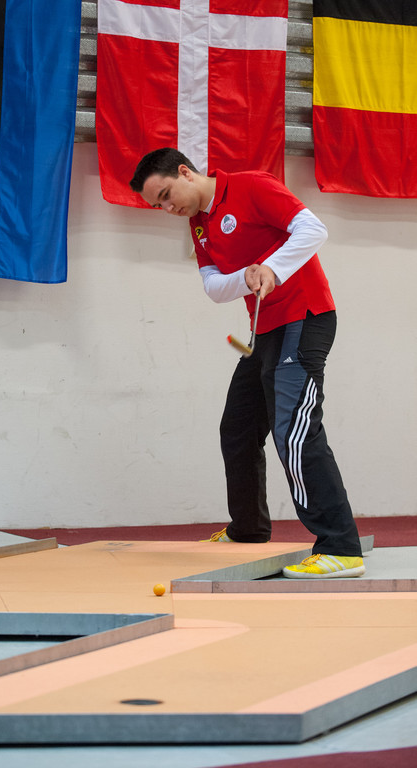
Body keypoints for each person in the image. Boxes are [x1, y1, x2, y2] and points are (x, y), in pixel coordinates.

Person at [129, 147, 364, 579]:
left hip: (305, 318)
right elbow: (214, 286)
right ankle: (248, 530)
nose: (168, 209)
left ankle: (341, 548)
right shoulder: (199, 224)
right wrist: (249, 275)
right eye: (158, 206)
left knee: (293, 431)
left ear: (185, 172)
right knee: (237, 428)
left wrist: (272, 267)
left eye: (165, 195)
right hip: (265, 332)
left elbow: (313, 229)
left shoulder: (251, 186)